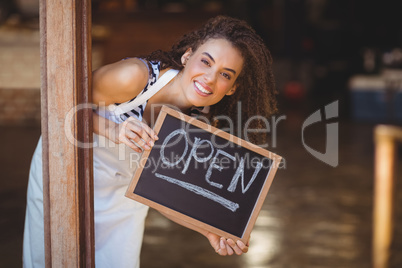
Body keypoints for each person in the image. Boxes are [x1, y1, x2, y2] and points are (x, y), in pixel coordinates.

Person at [23, 15, 277, 267]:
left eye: (225, 74)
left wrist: (208, 230)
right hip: (67, 174)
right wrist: (115, 130)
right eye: (205, 62)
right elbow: (61, 105)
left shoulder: (201, 126)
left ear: (232, 87)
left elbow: (164, 191)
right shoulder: (134, 77)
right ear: (187, 56)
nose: (210, 78)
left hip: (122, 200)